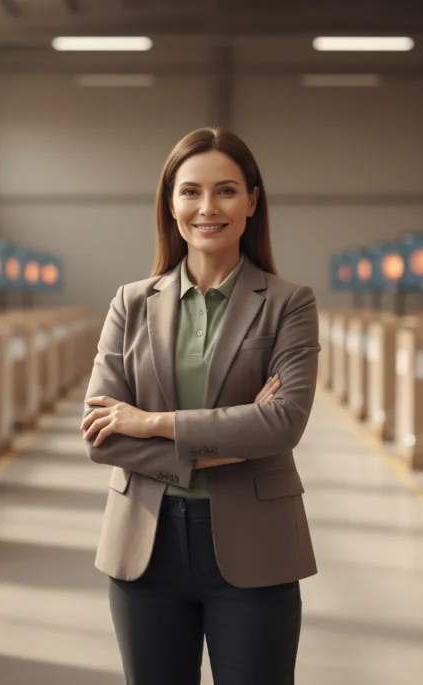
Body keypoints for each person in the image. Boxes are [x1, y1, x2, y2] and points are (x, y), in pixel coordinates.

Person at [79, 127, 320, 685]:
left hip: (255, 549)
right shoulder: (131, 302)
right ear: (170, 202)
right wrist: (222, 445)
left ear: (253, 202)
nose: (207, 207)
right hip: (144, 547)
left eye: (226, 191)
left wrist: (152, 424)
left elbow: (282, 424)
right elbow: (102, 436)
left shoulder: (288, 304)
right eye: (190, 191)